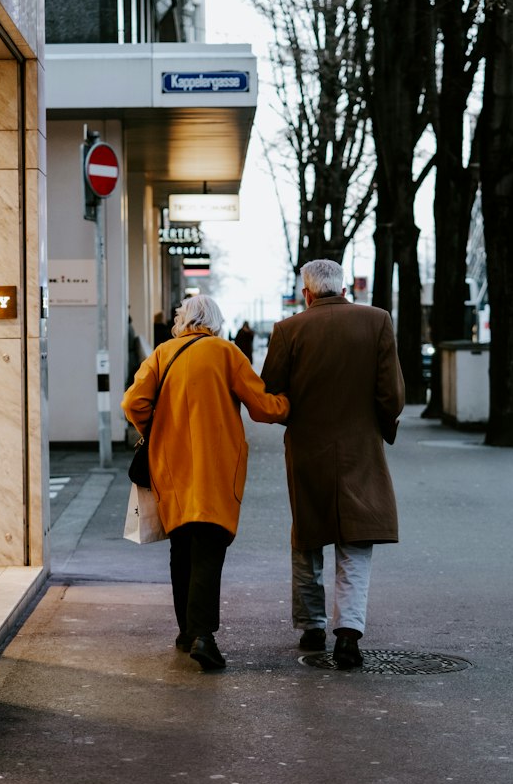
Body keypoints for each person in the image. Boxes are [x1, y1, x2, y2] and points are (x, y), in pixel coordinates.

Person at [122, 294, 290, 671]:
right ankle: (203, 635)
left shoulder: (163, 354)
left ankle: (186, 631)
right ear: (215, 321)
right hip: (215, 467)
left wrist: (156, 429)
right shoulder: (226, 353)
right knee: (209, 546)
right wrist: (290, 404)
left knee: (181, 545)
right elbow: (263, 407)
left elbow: (134, 402)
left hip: (172, 466)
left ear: (182, 321)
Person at [262, 258, 405, 670]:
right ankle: (349, 635)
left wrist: (297, 417)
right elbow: (391, 394)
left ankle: (311, 626)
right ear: (343, 288)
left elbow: (273, 394)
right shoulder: (377, 321)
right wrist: (379, 427)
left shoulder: (288, 330)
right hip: (361, 448)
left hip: (308, 449)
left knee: (307, 538)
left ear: (306, 293)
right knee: (356, 542)